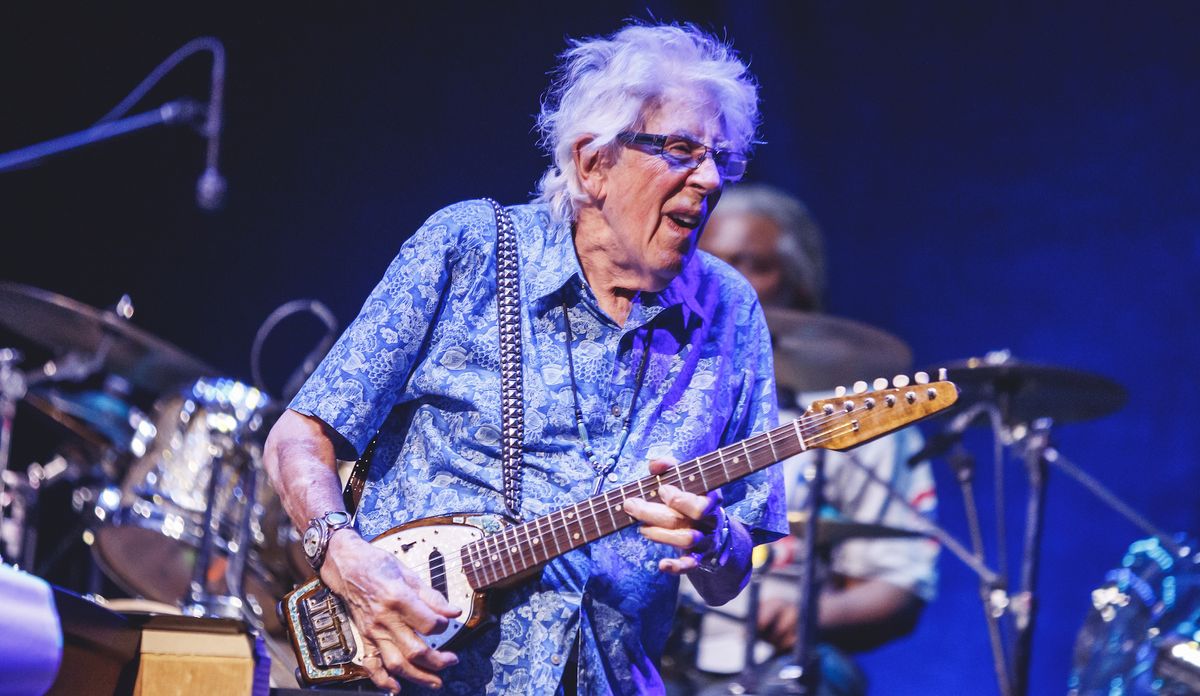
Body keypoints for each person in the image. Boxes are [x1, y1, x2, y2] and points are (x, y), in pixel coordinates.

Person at [263, 23, 787, 696]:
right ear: (594, 163)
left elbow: (729, 573)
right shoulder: (470, 248)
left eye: (722, 158)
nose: (711, 178)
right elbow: (299, 435)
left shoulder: (731, 312)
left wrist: (717, 543)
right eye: (682, 150)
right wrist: (341, 555)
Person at [681, 184, 939, 693]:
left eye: (750, 263)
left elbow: (901, 583)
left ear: (798, 284)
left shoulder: (852, 418)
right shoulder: (651, 394)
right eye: (709, 262)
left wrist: (813, 613)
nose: (726, 281)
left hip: (776, 663)